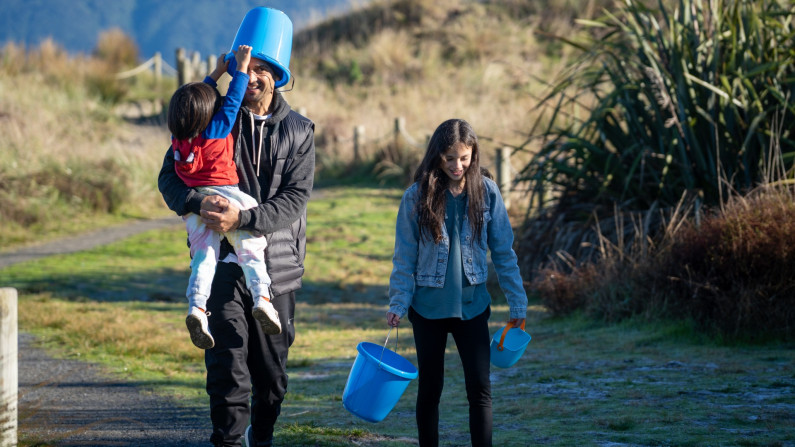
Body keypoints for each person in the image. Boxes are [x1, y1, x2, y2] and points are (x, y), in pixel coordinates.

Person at [158, 23, 315, 447]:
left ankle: (259, 438)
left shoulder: (300, 131)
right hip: (225, 268)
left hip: (277, 266)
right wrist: (198, 205)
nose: (256, 76)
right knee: (227, 371)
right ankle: (227, 442)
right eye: (252, 67)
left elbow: (294, 200)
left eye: (266, 69)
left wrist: (241, 220)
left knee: (272, 380)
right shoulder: (213, 115)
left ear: (278, 75)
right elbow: (170, 180)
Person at [386, 119, 528, 447]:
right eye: (449, 158)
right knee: (430, 390)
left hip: (473, 308)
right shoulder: (415, 197)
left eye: (464, 157)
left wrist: (517, 303)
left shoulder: (487, 192)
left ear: (473, 154)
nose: (457, 165)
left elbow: (504, 253)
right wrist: (398, 302)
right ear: (437, 155)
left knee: (480, 390)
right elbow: (404, 258)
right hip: (427, 309)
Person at [168, 44, 281, 351]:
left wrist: (215, 73)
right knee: (251, 245)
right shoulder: (216, 130)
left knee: (203, 258)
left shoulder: (180, 138)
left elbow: (193, 101)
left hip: (197, 208)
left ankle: (197, 309)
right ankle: (263, 298)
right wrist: (241, 68)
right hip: (229, 196)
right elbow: (232, 101)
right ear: (207, 113)